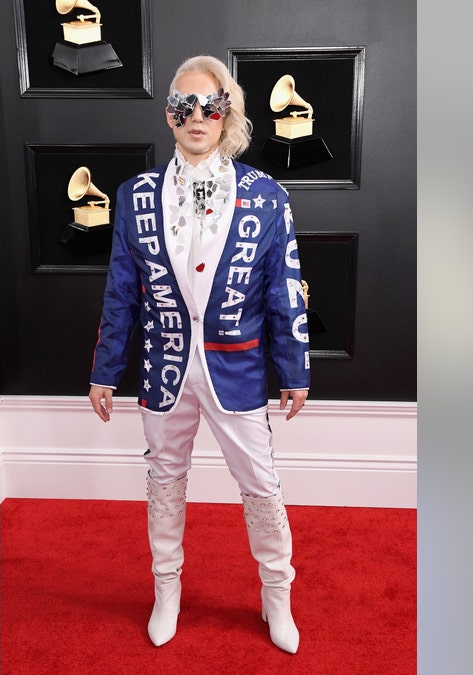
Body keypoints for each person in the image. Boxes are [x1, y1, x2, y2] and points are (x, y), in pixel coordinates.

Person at [87, 54, 310, 654]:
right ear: (169, 114)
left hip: (234, 366)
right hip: (163, 367)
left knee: (261, 485)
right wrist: (105, 371)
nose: (197, 117)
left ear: (226, 112)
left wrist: (294, 369)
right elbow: (119, 291)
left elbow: (284, 286)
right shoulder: (134, 197)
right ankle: (166, 591)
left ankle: (276, 595)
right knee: (165, 480)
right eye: (184, 106)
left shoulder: (267, 197)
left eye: (209, 106)